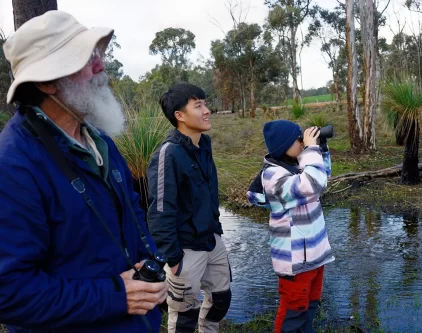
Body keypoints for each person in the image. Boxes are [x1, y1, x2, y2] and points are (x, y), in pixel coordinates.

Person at [0, 11, 167, 333]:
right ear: (47, 82)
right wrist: (117, 296)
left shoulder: (100, 141)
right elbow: (9, 293)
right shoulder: (13, 166)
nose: (101, 65)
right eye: (85, 58)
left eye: (97, 54)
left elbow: (132, 211)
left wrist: (152, 261)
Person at [147, 83, 232, 333]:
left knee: (220, 301)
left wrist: (215, 230)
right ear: (180, 116)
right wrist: (173, 259)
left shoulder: (203, 145)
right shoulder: (168, 154)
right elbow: (160, 210)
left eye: (205, 104)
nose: (207, 110)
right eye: (199, 106)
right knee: (185, 315)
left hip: (211, 240)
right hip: (185, 249)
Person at [247, 120, 335, 333]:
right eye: (298, 140)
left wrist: (320, 148)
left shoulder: (296, 165)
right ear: (283, 146)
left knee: (310, 307)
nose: (302, 142)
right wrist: (311, 149)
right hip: (295, 260)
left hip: (314, 255)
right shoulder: (274, 177)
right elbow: (313, 184)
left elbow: (323, 176)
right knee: (293, 312)